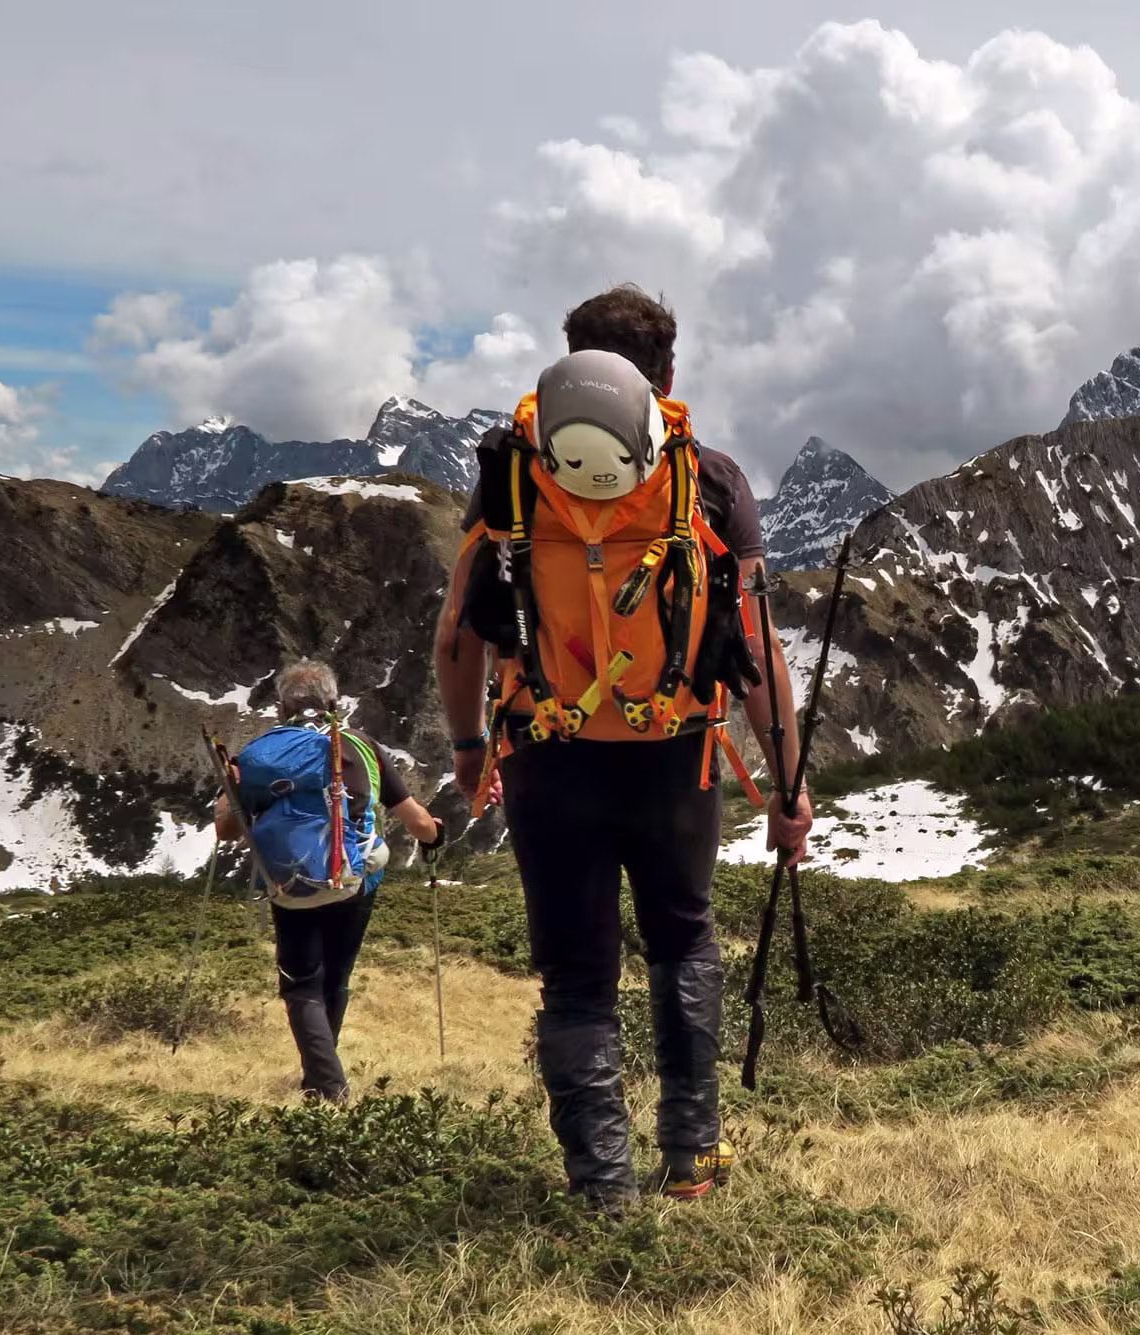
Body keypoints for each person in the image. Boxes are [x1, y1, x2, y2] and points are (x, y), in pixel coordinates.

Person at [433, 284, 812, 1209]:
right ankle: (691, 1159)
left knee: (576, 975)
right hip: (674, 757)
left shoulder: (511, 475)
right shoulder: (709, 479)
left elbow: (458, 634)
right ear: (666, 373)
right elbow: (755, 647)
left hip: (545, 753)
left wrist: (472, 747)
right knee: (682, 941)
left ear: (567, 361)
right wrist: (788, 785)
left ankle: (601, 1189)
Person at [216, 658, 442, 1102]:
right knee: (335, 976)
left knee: (301, 983)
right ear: (334, 703)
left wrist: (230, 787)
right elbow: (417, 823)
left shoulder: (258, 755)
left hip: (288, 885)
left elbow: (226, 830)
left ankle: (325, 1083)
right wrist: (436, 834)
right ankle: (324, 1084)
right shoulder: (358, 746)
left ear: (282, 706)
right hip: (354, 881)